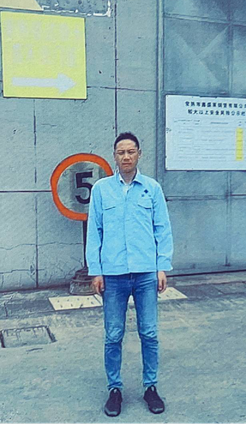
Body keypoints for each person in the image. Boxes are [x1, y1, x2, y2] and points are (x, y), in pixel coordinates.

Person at [86, 132, 173, 417]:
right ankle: (115, 389)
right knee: (113, 335)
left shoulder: (152, 188)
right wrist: (96, 270)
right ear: (114, 156)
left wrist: (162, 266)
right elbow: (94, 232)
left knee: (149, 333)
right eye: (121, 152)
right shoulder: (101, 190)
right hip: (113, 275)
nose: (126, 156)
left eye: (131, 151)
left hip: (146, 272)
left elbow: (162, 228)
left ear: (139, 154)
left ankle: (151, 387)